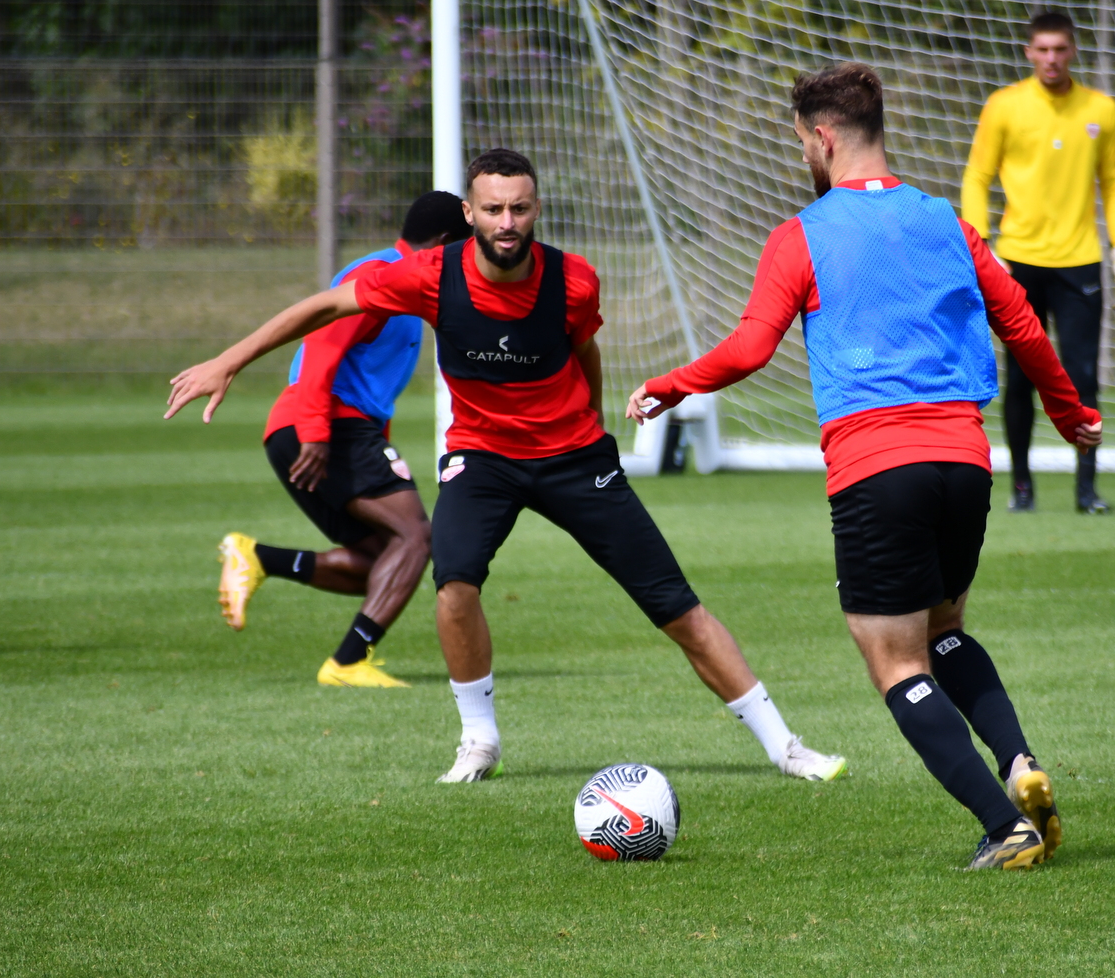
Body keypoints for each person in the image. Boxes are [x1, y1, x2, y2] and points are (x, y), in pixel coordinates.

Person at [166, 149, 847, 786]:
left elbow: (584, 352)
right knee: (453, 580)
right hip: (482, 458)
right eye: (492, 209)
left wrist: (598, 430)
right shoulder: (428, 275)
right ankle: (479, 740)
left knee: (675, 606)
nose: (507, 223)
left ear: (536, 209)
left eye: (519, 209)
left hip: (574, 456)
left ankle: (785, 748)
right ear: (469, 214)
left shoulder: (574, 280)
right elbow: (324, 308)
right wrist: (230, 360)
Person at [628, 63, 1102, 869]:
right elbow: (1020, 323)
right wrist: (1070, 412)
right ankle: (1020, 763)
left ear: (822, 137)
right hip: (964, 461)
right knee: (945, 627)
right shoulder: (949, 222)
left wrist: (671, 386)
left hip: (877, 466)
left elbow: (751, 347)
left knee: (893, 659)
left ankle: (1004, 826)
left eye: (801, 143)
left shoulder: (801, 234)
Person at [215, 191, 472, 688]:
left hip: (333, 427)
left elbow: (371, 389)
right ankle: (348, 662)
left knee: (384, 560)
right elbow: (321, 348)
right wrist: (316, 432)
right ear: (444, 245)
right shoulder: (381, 275)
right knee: (419, 537)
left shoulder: (405, 281)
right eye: (465, 250)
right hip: (324, 425)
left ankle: (258, 557)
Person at [960, 9, 1115, 514]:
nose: (1052, 58)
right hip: (1017, 264)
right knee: (1020, 378)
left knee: (1083, 378)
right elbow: (976, 177)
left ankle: (1086, 488)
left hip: (1080, 263)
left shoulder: (1101, 108)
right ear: (1029, 52)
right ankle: (1022, 488)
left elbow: (1114, 182)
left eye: (1061, 49)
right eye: (1043, 49)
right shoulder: (1004, 106)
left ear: (1073, 51)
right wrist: (984, 245)